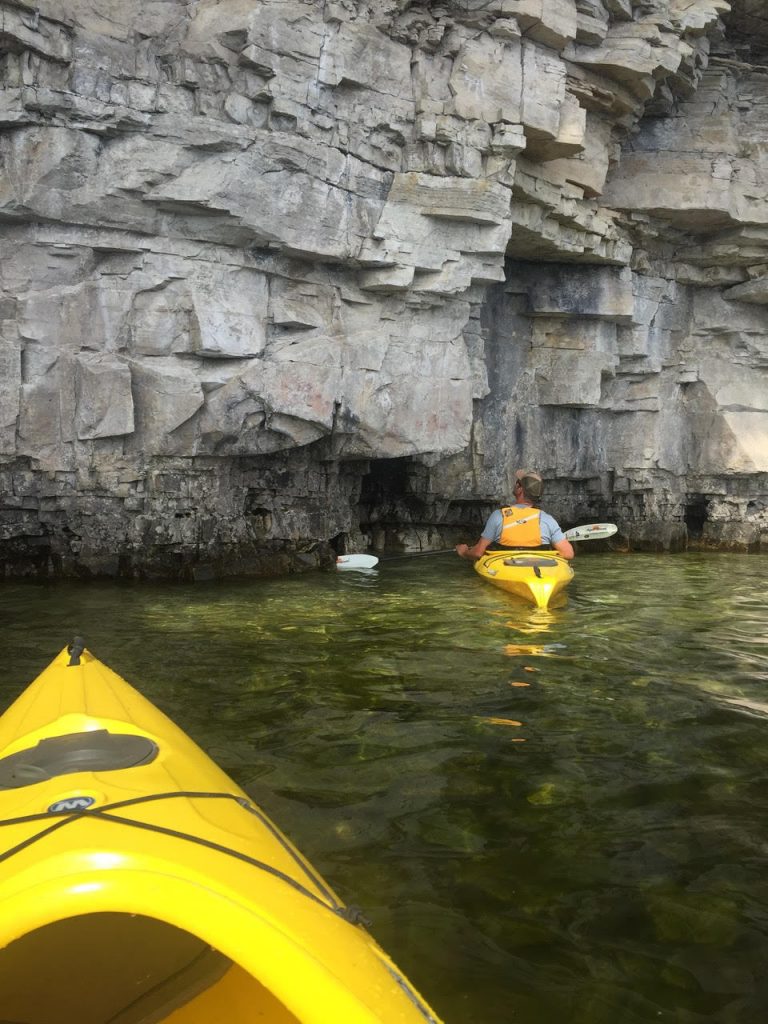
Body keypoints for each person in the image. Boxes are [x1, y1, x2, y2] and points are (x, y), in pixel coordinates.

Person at [455, 469, 575, 562]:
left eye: (517, 483)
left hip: (505, 565)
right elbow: (568, 553)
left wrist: (464, 552)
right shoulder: (548, 520)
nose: (515, 484)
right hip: (539, 565)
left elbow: (477, 553)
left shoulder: (499, 516)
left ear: (519, 489)